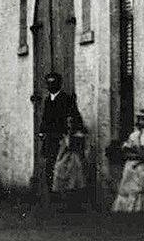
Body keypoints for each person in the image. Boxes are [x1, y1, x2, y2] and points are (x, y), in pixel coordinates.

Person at [38, 72, 81, 200]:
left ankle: (64, 193)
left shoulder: (66, 99)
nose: (51, 86)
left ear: (59, 84)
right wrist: (42, 131)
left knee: (62, 165)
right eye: (49, 83)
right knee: (49, 164)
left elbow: (75, 117)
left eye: (54, 83)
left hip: (61, 138)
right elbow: (45, 118)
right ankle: (52, 193)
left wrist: (70, 132)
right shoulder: (47, 99)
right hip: (50, 138)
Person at [51, 114, 88, 200]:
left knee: (74, 175)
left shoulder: (79, 135)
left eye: (71, 122)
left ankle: (73, 195)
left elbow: (75, 147)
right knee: (59, 168)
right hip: (66, 157)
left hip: (75, 157)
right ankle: (64, 195)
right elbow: (63, 148)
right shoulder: (67, 135)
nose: (69, 125)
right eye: (68, 123)